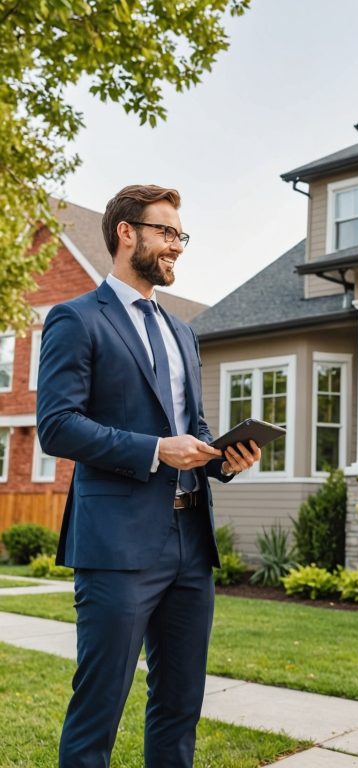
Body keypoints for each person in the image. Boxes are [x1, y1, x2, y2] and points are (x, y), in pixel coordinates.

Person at [36, 184, 260, 768]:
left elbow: (198, 430)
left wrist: (223, 460)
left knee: (180, 706)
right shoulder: (75, 318)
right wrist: (158, 449)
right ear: (126, 233)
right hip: (116, 544)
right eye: (166, 232)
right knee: (98, 711)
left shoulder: (182, 331)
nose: (177, 246)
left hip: (191, 544)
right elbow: (57, 427)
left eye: (180, 235)